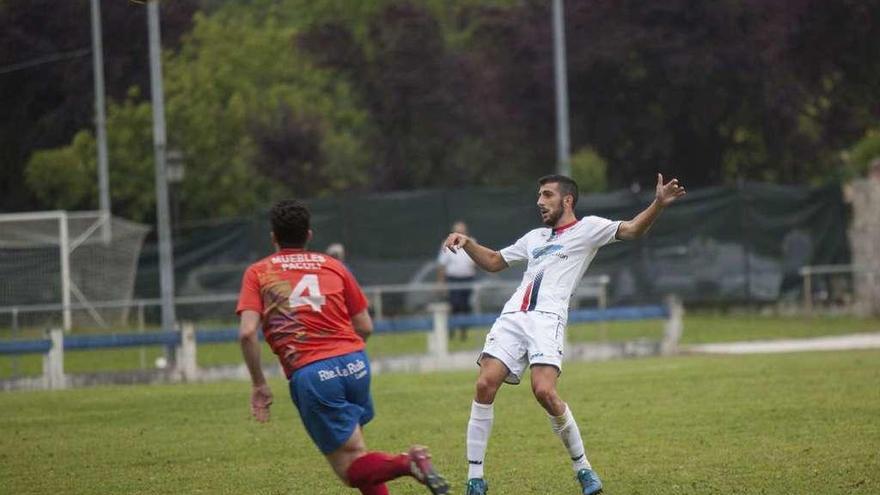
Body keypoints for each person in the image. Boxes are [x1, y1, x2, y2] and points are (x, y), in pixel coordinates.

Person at [444, 174, 686, 495]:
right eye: (539, 195)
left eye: (547, 195)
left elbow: (632, 229)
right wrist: (468, 242)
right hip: (514, 316)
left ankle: (583, 469)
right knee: (484, 383)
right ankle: (475, 478)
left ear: (567, 200)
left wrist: (658, 203)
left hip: (547, 320)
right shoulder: (535, 237)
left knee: (544, 391)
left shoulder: (588, 229)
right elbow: (494, 261)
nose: (540, 202)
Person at [237, 200, 450, 495]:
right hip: (355, 363)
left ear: (273, 236)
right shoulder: (332, 265)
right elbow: (365, 326)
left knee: (351, 468)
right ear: (309, 235)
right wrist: (344, 357)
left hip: (313, 373)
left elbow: (248, 333)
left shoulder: (258, 272)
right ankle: (408, 464)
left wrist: (259, 383)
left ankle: (408, 463)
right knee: (359, 454)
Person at [436, 221, 478, 340]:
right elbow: (441, 265)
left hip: (468, 279)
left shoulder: (472, 242)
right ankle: (452, 331)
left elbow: (477, 261)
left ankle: (463, 332)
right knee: (455, 305)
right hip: (453, 280)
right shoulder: (447, 243)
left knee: (465, 306)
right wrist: (441, 283)